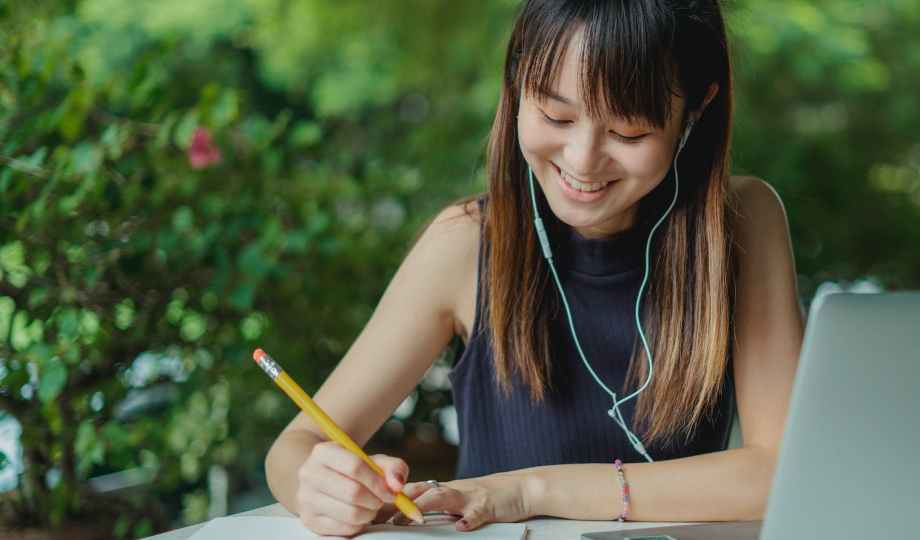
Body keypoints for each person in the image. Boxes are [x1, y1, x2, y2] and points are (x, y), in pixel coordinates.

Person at [264, 0, 803, 535]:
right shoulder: (466, 244)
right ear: (519, 80)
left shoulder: (742, 224)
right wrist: (324, 487)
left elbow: (780, 470)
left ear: (697, 107)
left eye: (629, 133)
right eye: (556, 116)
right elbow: (295, 448)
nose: (583, 160)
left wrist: (529, 491)